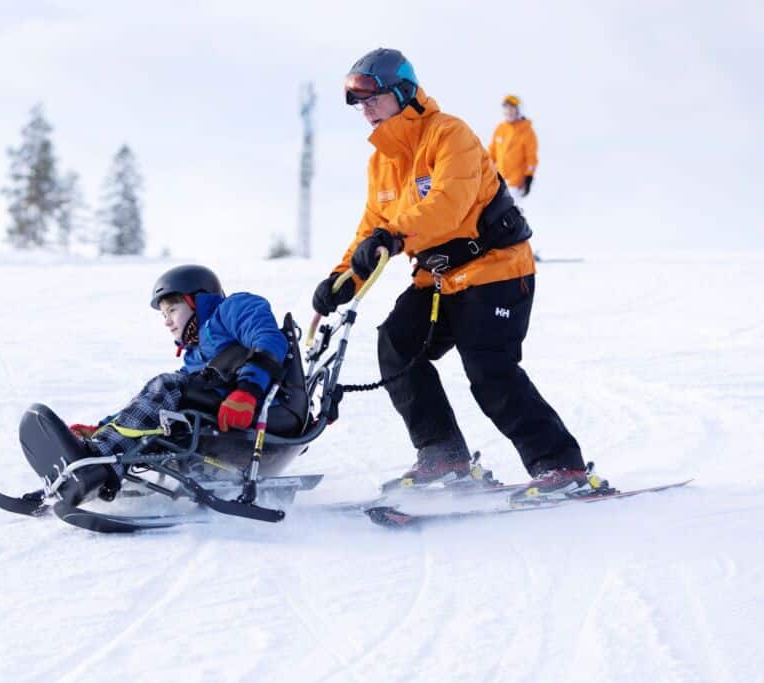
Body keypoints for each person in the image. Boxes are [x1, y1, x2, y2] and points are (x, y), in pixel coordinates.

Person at [312, 47, 589, 502]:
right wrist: (343, 280)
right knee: (397, 343)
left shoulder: (449, 134)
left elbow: (447, 205)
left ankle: (561, 467)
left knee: (489, 368)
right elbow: (370, 229)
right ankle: (444, 456)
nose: (364, 109)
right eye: (358, 103)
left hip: (496, 268)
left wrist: (394, 235)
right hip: (439, 279)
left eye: (372, 98)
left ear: (402, 92)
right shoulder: (381, 160)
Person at [57, 265, 290, 506]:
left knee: (168, 385)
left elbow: (270, 339)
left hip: (261, 411)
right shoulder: (195, 356)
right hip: (222, 416)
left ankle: (98, 460)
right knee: (165, 399)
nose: (167, 321)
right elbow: (152, 404)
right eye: (163, 315)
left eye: (172, 310)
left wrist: (247, 391)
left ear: (197, 302)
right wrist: (102, 426)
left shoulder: (233, 308)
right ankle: (99, 455)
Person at [488, 94, 538, 205]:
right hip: (498, 181)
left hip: (515, 183)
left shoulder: (527, 132)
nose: (509, 112)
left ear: (518, 111)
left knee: (510, 215)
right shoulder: (500, 129)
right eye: (506, 109)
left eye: (512, 109)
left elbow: (531, 158)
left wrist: (529, 177)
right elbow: (492, 153)